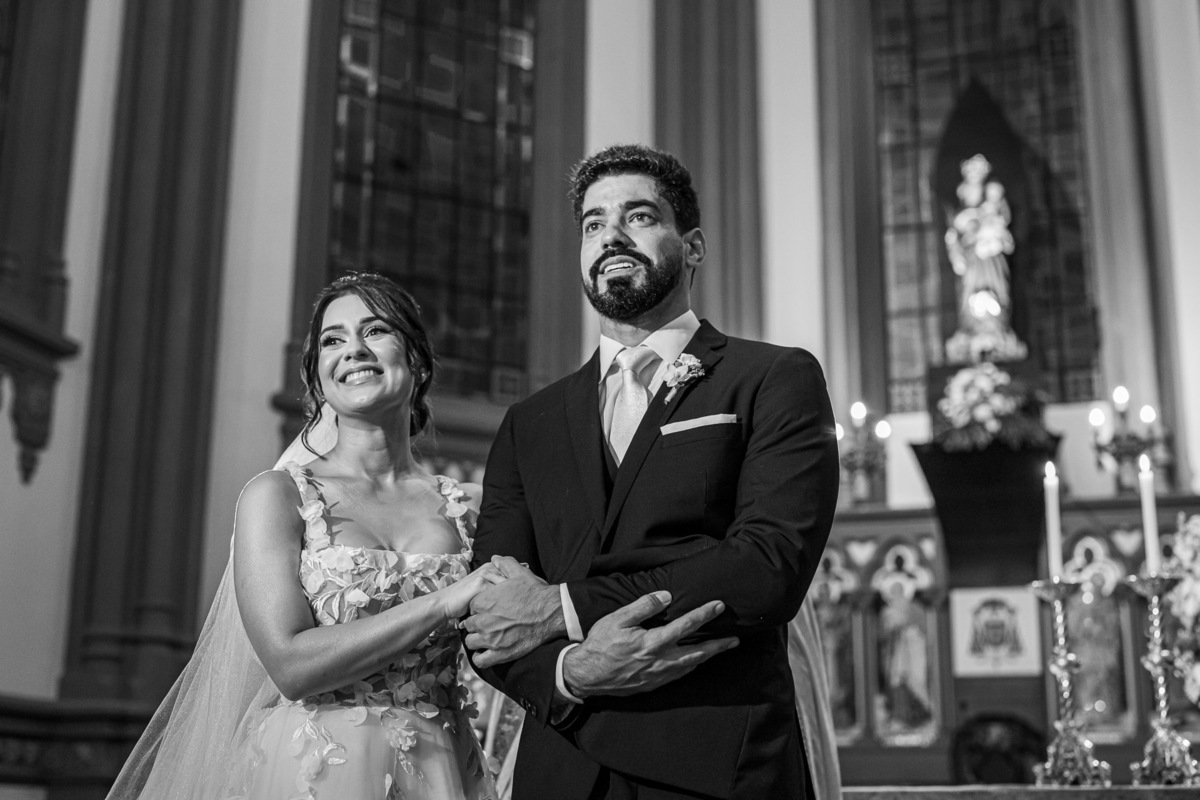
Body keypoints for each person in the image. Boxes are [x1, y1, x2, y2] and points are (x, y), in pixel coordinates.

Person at [460, 144, 841, 799]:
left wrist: (560, 608)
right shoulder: (530, 423)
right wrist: (572, 672)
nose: (611, 235)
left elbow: (766, 568)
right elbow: (488, 615)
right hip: (563, 768)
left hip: (717, 761)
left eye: (638, 217)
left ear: (692, 246)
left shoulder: (772, 377)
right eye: (593, 224)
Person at [107, 272, 500, 799]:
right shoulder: (277, 497)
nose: (354, 349)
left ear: (418, 362)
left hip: (442, 769)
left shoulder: (471, 507)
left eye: (375, 330)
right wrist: (443, 602)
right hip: (313, 771)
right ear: (318, 380)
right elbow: (291, 667)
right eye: (333, 340)